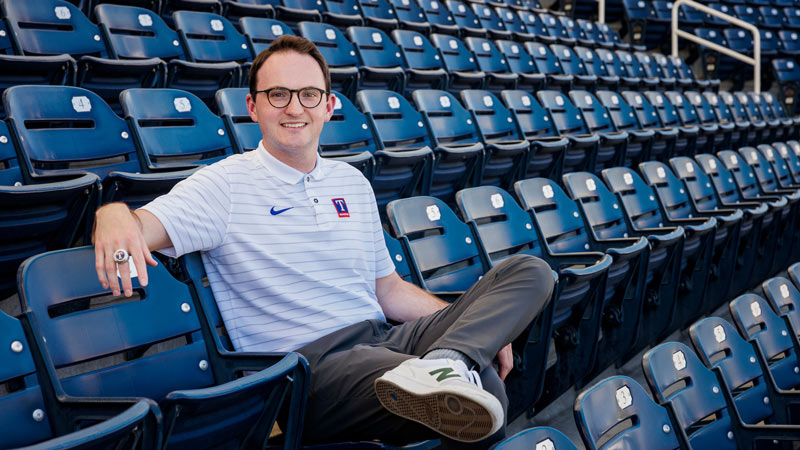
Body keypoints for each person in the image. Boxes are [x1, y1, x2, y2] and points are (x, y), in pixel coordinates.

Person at [92, 35, 553, 448]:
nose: (295, 108)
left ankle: (451, 359)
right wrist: (112, 213)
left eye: (309, 95)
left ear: (329, 106)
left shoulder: (351, 182)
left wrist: (474, 330)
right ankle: (454, 368)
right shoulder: (225, 185)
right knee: (485, 390)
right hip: (310, 370)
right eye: (278, 95)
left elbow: (387, 290)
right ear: (253, 108)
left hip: (384, 339)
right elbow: (141, 223)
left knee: (530, 270)